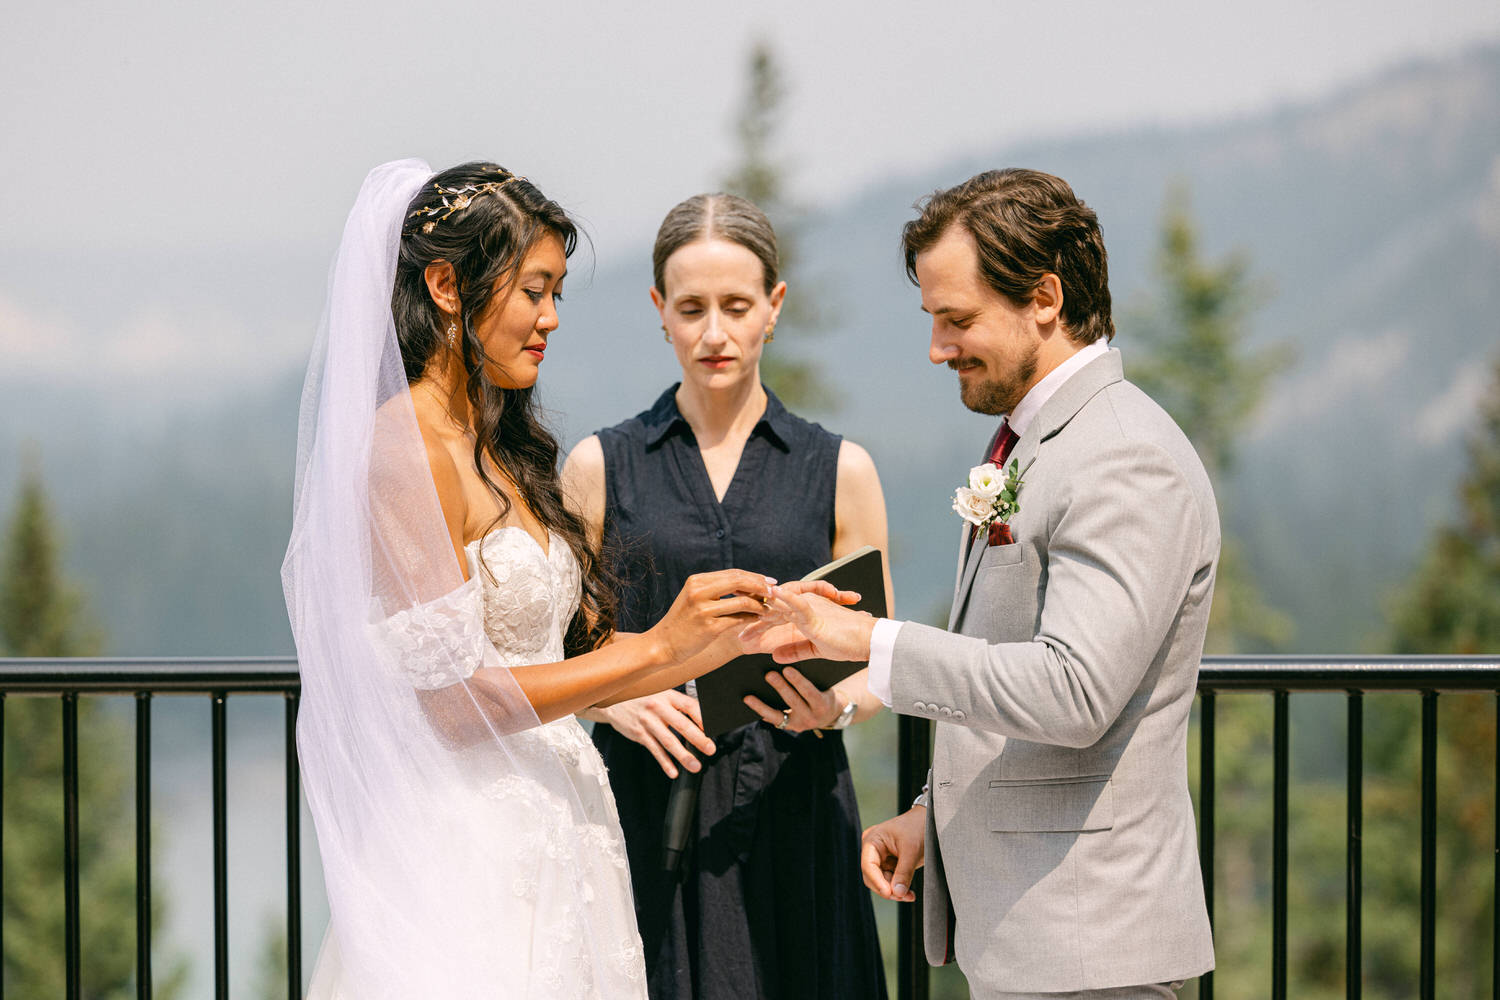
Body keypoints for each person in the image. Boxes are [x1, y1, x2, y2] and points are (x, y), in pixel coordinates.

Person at [282, 161, 842, 998]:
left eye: (558, 294)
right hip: (470, 856)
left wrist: (732, 636)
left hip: (563, 829)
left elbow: (546, 648)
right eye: (533, 290)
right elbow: (449, 701)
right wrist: (657, 648)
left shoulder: (497, 437)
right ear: (445, 285)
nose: (550, 319)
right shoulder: (403, 449)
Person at [742, 169, 1219, 999]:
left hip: (1089, 949)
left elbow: (1073, 693)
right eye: (933, 319)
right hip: (1035, 938)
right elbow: (1008, 665)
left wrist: (869, 642)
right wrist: (936, 818)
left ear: (1044, 297)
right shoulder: (1037, 444)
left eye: (956, 319)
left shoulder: (1121, 457)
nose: (937, 348)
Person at [562, 192, 891, 999]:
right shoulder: (598, 467)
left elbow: (879, 654)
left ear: (773, 308)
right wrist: (616, 705)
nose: (715, 332)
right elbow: (559, 654)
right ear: (659, 312)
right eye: (692, 308)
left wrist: (839, 707)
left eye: (737, 307)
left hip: (797, 800)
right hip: (643, 804)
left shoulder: (841, 468)